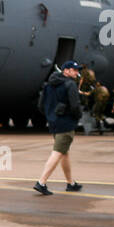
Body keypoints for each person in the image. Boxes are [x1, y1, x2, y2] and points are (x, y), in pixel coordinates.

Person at [34, 61, 84, 194]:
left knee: (64, 152)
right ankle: (41, 182)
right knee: (57, 152)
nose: (77, 73)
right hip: (66, 124)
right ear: (66, 71)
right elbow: (75, 106)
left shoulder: (48, 85)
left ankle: (70, 183)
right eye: (74, 70)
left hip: (54, 123)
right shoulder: (70, 84)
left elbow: (40, 105)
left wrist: (51, 115)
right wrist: (77, 116)